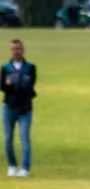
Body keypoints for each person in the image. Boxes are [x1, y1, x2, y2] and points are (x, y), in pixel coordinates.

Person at [2, 38, 36, 178]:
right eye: (14, 49)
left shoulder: (30, 67)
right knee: (8, 138)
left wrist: (16, 83)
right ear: (10, 51)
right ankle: (12, 165)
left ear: (23, 50)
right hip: (9, 108)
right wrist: (10, 84)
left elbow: (30, 85)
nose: (17, 51)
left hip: (25, 109)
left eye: (19, 49)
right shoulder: (5, 68)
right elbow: (3, 87)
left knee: (24, 138)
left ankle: (25, 168)